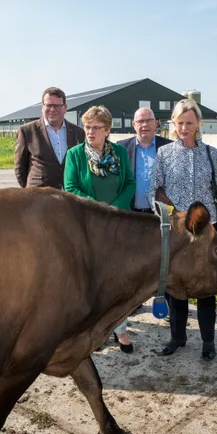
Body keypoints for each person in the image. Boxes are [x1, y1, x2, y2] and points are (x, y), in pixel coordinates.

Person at [147, 98, 217, 361]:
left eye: (189, 122)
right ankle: (177, 337)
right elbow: (153, 190)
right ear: (173, 124)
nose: (184, 128)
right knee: (176, 286)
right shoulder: (164, 154)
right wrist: (168, 215)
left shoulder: (211, 154)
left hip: (207, 232)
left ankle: (208, 342)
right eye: (180, 123)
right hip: (176, 233)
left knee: (206, 288)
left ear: (198, 123)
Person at [64, 106, 136, 353]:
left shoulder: (120, 153)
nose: (90, 132)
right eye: (87, 127)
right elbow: (71, 188)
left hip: (116, 228)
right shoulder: (75, 155)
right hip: (88, 229)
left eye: (96, 127)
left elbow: (129, 183)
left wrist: (114, 209)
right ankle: (95, 332)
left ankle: (121, 330)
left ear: (107, 130)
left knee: (117, 282)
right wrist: (100, 209)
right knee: (92, 283)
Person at [14, 87, 85, 190]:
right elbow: (20, 168)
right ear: (42, 107)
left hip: (69, 196)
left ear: (65, 108)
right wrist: (29, 191)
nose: (52, 109)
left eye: (57, 106)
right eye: (49, 105)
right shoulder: (27, 131)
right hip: (38, 198)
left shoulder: (78, 132)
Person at [117, 107, 172, 213]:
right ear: (134, 125)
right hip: (131, 214)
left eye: (149, 121)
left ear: (156, 123)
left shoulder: (169, 147)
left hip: (162, 215)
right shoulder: (121, 148)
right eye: (140, 121)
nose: (145, 125)